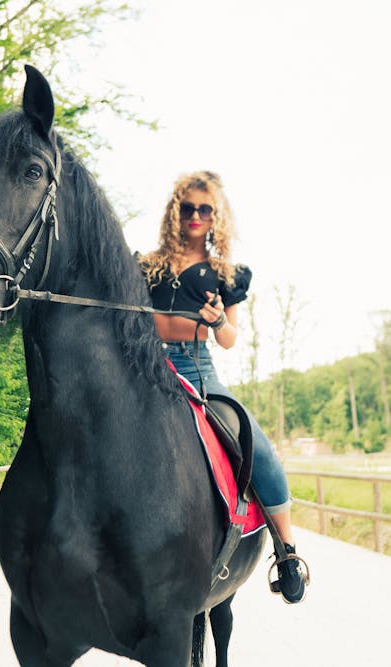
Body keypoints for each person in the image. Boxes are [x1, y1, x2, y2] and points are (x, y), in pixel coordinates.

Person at [138, 171, 306, 604]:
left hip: (198, 372)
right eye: (188, 207)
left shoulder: (225, 274)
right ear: (177, 211)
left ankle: (287, 552)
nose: (195, 216)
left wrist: (215, 322)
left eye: (204, 209)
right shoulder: (146, 264)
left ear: (216, 216)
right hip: (145, 366)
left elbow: (229, 337)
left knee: (255, 443)